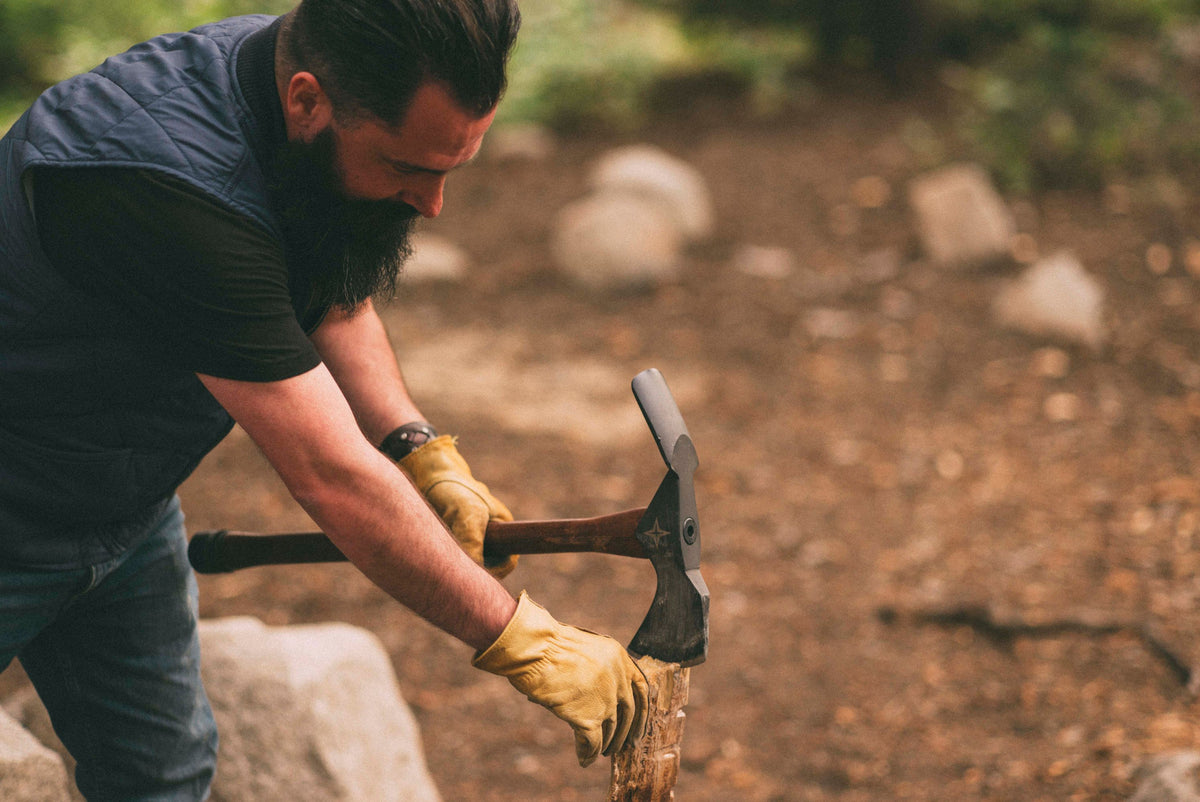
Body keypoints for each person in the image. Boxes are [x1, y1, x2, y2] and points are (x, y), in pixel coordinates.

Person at [0, 1, 648, 798]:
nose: (432, 204)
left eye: (450, 168)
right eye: (409, 169)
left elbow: (331, 286)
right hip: (13, 505)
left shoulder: (296, 80)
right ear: (308, 101)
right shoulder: (164, 190)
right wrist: (523, 641)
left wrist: (418, 449)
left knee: (162, 776)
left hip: (120, 500)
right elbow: (330, 475)